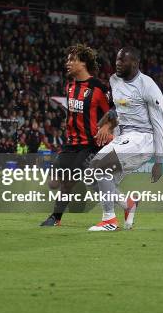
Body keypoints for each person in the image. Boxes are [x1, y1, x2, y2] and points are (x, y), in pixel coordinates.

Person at [89, 47, 163, 231]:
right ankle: (128, 205)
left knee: (100, 167)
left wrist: (159, 160)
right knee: (90, 177)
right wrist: (105, 123)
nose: (118, 63)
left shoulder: (148, 86)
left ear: (135, 63)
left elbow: (159, 122)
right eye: (117, 59)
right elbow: (119, 109)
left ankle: (109, 220)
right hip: (123, 137)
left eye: (123, 60)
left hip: (142, 138)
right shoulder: (114, 80)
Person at [40, 44, 112, 227]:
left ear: (83, 63)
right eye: (68, 59)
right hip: (71, 144)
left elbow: (115, 111)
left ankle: (55, 218)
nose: (68, 63)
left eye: (72, 59)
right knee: (54, 183)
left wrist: (108, 126)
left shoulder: (98, 88)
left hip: (91, 145)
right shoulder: (70, 86)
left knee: (69, 183)